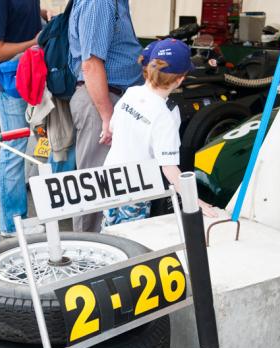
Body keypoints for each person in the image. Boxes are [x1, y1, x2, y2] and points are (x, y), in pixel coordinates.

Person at [103, 39, 217, 227]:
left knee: (109, 233)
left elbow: (112, 128)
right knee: (130, 241)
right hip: (135, 188)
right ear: (180, 79)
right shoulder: (166, 116)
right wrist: (194, 201)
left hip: (108, 179)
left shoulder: (131, 93)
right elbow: (169, 168)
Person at [68, 0, 144, 233]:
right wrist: (107, 116)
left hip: (111, 98)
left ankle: (106, 248)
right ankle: (87, 252)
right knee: (95, 184)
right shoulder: (100, 2)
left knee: (109, 182)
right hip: (101, 100)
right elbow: (91, 63)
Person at [0, 0, 44, 237]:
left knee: (29, 145)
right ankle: (12, 223)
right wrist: (34, 42)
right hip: (11, 80)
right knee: (15, 148)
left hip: (32, 72)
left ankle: (20, 219)